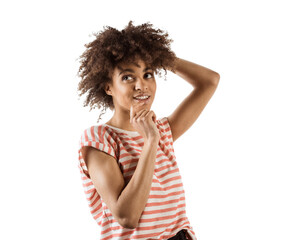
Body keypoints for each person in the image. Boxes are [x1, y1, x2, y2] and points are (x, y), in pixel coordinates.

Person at [76, 21, 220, 240]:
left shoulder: (163, 129)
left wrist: (160, 56)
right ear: (108, 87)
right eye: (127, 77)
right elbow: (127, 217)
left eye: (148, 74)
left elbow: (210, 81)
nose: (141, 85)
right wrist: (151, 140)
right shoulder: (100, 139)